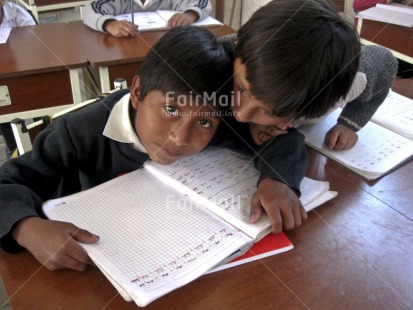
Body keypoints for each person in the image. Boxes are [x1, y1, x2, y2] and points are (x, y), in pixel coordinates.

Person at [0, 26, 308, 271]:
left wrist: (277, 180)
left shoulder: (217, 120)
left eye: (204, 124)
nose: (180, 138)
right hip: (85, 260)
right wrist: (24, 227)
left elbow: (284, 138)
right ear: (137, 92)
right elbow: (8, 183)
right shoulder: (77, 132)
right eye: (171, 109)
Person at [226, 0, 398, 151]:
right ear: (238, 45)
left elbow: (386, 64)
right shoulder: (233, 50)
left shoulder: (355, 79)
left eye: (270, 111)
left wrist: (350, 123)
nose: (240, 115)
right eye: (242, 88)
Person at [0, 0, 36, 158]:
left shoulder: (19, 15)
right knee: (5, 111)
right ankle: (13, 151)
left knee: (38, 97)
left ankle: (42, 143)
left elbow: (37, 46)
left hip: (19, 71)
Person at [82, 0, 212, 37]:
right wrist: (109, 24)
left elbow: (201, 2)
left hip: (167, 44)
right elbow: (91, 9)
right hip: (128, 47)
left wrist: (189, 15)